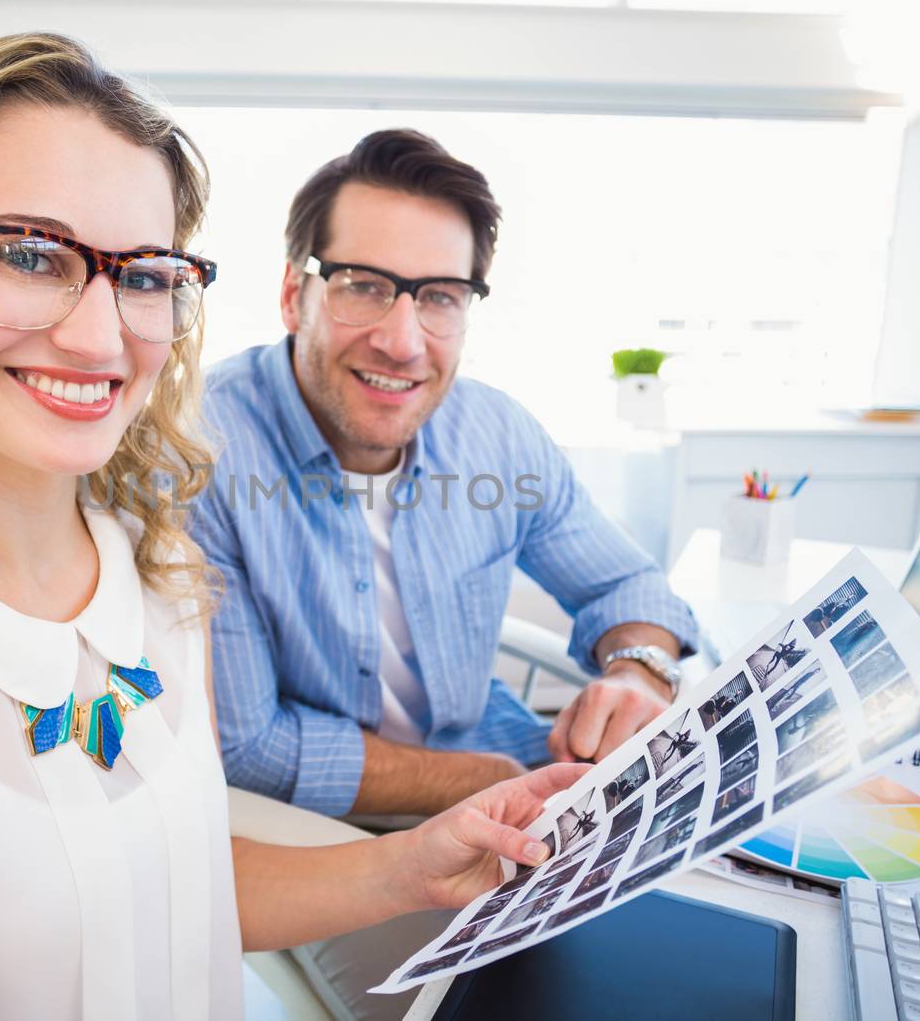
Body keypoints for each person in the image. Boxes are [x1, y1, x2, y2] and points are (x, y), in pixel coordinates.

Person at [0, 34, 586, 1020]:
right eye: (24, 254)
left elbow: (167, 872)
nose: (99, 335)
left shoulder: (160, 564)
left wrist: (406, 866)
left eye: (142, 274)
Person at [191, 129, 699, 818]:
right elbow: (251, 748)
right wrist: (489, 777)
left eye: (439, 297)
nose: (402, 343)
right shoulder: (200, 452)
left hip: (516, 788)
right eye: (363, 287)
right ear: (292, 294)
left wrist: (641, 671)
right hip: (320, 830)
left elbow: (628, 584)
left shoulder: (499, 436)